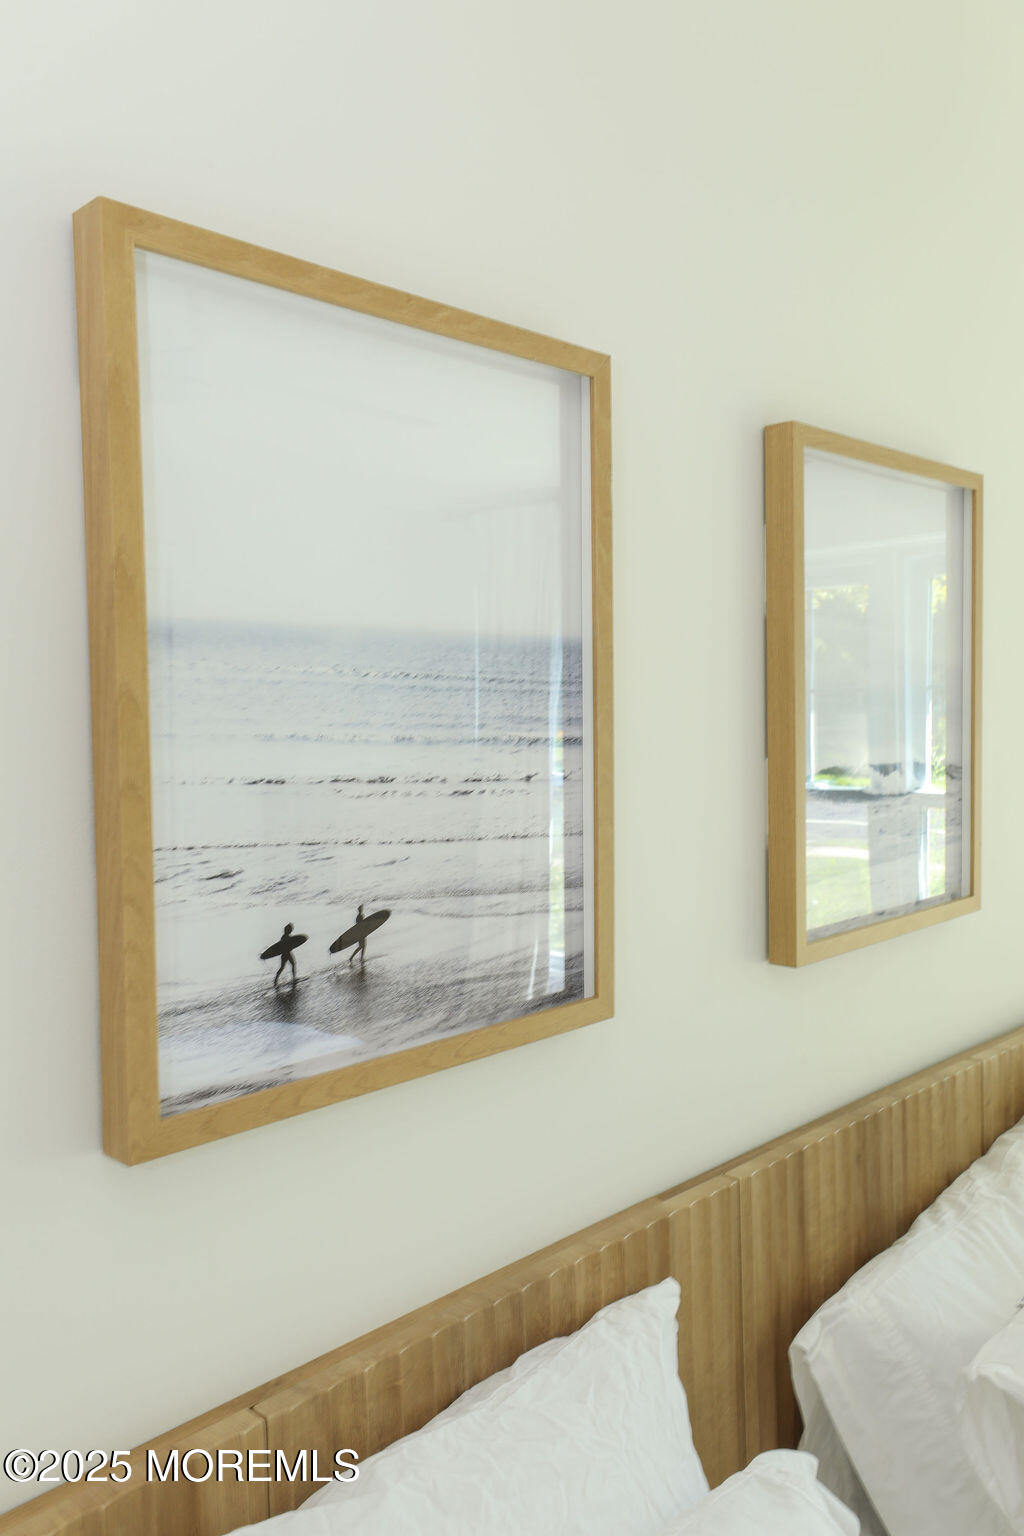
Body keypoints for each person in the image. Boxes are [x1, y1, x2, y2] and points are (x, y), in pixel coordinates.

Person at [273, 922, 299, 987]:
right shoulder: (285, 937)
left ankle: (276, 980)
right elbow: (284, 945)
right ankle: (294, 978)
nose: (291, 930)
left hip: (285, 954)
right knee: (293, 964)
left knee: (282, 967)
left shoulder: (285, 936)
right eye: (291, 929)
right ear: (288, 930)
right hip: (287, 953)